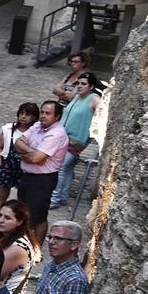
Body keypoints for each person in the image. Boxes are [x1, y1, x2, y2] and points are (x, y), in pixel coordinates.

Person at [13, 100, 69, 248]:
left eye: (48, 113)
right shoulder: (38, 125)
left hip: (43, 180)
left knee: (38, 217)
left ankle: (36, 249)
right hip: (27, 176)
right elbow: (17, 142)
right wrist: (31, 152)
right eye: (42, 112)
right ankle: (24, 245)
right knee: (23, 212)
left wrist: (26, 152)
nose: (43, 116)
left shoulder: (56, 134)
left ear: (56, 116)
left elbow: (37, 159)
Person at [49, 74, 101, 209]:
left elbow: (102, 113)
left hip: (76, 140)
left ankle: (54, 199)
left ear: (91, 86)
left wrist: (92, 135)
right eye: (78, 83)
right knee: (67, 168)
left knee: (60, 167)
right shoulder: (77, 97)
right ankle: (63, 197)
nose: (79, 86)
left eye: (83, 84)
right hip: (64, 138)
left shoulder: (94, 99)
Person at [0, 103, 40, 223]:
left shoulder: (35, 131)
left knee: (23, 199)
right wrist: (0, 165)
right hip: (7, 167)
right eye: (21, 113)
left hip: (24, 168)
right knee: (1, 196)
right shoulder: (9, 128)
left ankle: (17, 223)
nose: (23, 117)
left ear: (34, 117)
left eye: (27, 114)